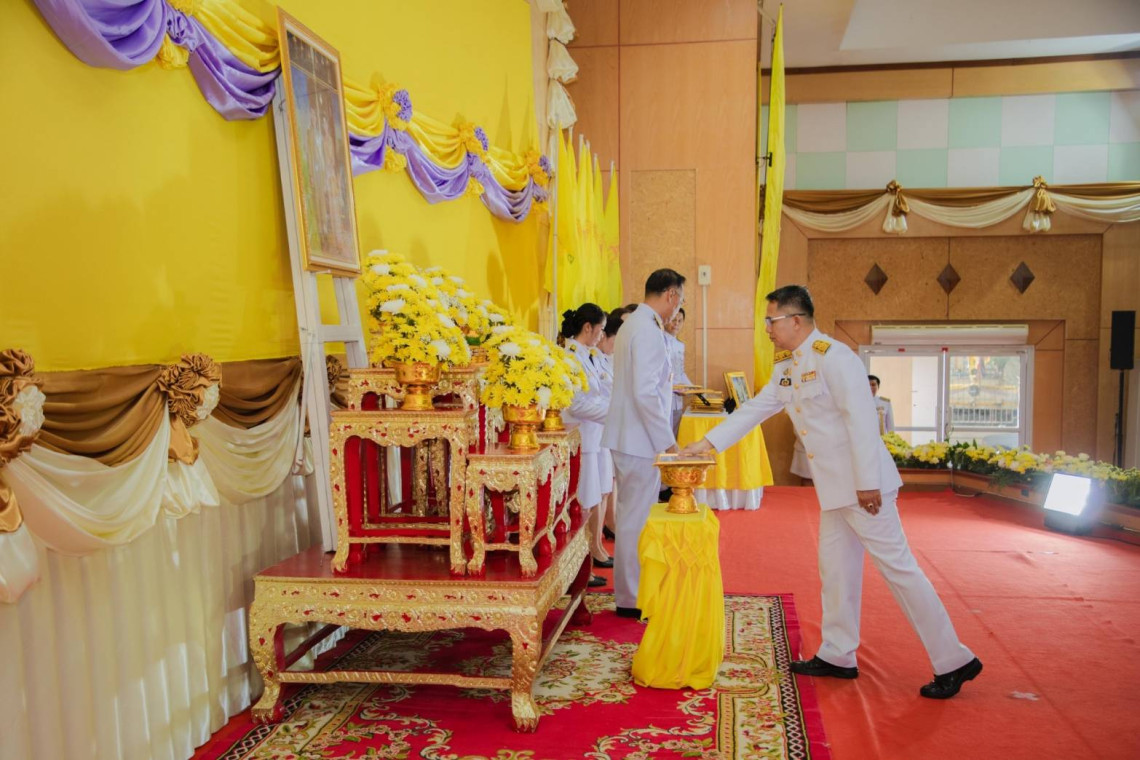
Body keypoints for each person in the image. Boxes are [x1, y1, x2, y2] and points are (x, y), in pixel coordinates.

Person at [680, 285, 982, 699]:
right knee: (835, 571)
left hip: (863, 488)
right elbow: (756, 409)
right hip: (834, 490)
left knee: (899, 571)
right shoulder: (787, 365)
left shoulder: (836, 358)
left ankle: (954, 660)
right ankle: (839, 654)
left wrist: (867, 482)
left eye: (771, 320)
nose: (767, 329)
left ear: (796, 321)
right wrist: (706, 444)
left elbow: (861, 420)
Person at [601, 269, 685, 619]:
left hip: (630, 435)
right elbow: (646, 393)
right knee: (636, 519)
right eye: (679, 299)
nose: (677, 307)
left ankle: (631, 592)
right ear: (670, 295)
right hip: (639, 438)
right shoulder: (648, 329)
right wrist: (668, 442)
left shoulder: (634, 323)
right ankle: (632, 598)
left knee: (631, 516)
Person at [560, 304, 612, 586]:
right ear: (588, 327)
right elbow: (576, 404)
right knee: (584, 503)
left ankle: (590, 556)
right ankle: (580, 567)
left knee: (597, 496)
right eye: (600, 329)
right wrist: (614, 411)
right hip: (583, 437)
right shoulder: (569, 358)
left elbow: (604, 390)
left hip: (598, 435)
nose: (601, 335)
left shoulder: (590, 355)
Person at [664, 308, 693, 436]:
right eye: (673, 320)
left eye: (680, 321)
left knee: (675, 436)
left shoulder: (680, 345)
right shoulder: (660, 342)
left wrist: (693, 388)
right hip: (665, 398)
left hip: (678, 401)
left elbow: (680, 372)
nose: (676, 324)